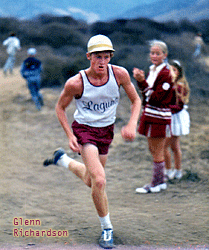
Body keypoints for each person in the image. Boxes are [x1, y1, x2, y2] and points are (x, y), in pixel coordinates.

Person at [43, 34, 141, 249]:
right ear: (88, 56)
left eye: (106, 57)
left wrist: (132, 124)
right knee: (100, 181)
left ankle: (63, 161)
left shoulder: (120, 74)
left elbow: (136, 100)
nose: (102, 62)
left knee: (91, 180)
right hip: (84, 131)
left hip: (106, 131)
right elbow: (60, 108)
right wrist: (70, 135)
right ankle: (107, 229)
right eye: (98, 56)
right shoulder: (76, 83)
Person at [133, 40, 173, 194]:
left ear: (165, 55)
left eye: (158, 53)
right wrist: (142, 81)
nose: (154, 56)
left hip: (159, 117)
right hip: (151, 114)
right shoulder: (153, 70)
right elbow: (147, 94)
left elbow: (156, 97)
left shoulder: (166, 73)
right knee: (154, 149)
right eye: (152, 53)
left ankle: (155, 184)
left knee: (157, 150)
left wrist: (141, 81)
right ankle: (160, 181)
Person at [164, 60, 190, 180]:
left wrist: (166, 108)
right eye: (169, 70)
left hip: (175, 118)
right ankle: (170, 170)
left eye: (174, 70)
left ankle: (175, 171)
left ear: (179, 72)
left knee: (172, 146)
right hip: (167, 116)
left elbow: (179, 105)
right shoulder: (166, 84)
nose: (171, 73)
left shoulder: (179, 86)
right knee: (169, 146)